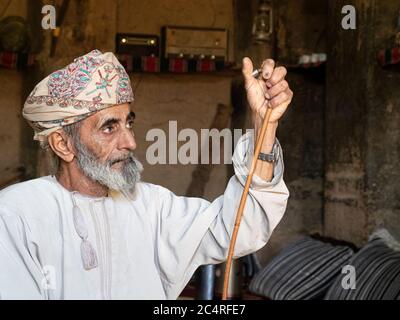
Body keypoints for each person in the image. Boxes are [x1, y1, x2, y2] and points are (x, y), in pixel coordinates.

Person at [0, 50, 292, 299]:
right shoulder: (16, 214)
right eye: (109, 127)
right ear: (63, 144)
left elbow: (239, 229)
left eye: (129, 123)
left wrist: (264, 127)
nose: (130, 142)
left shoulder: (152, 206)